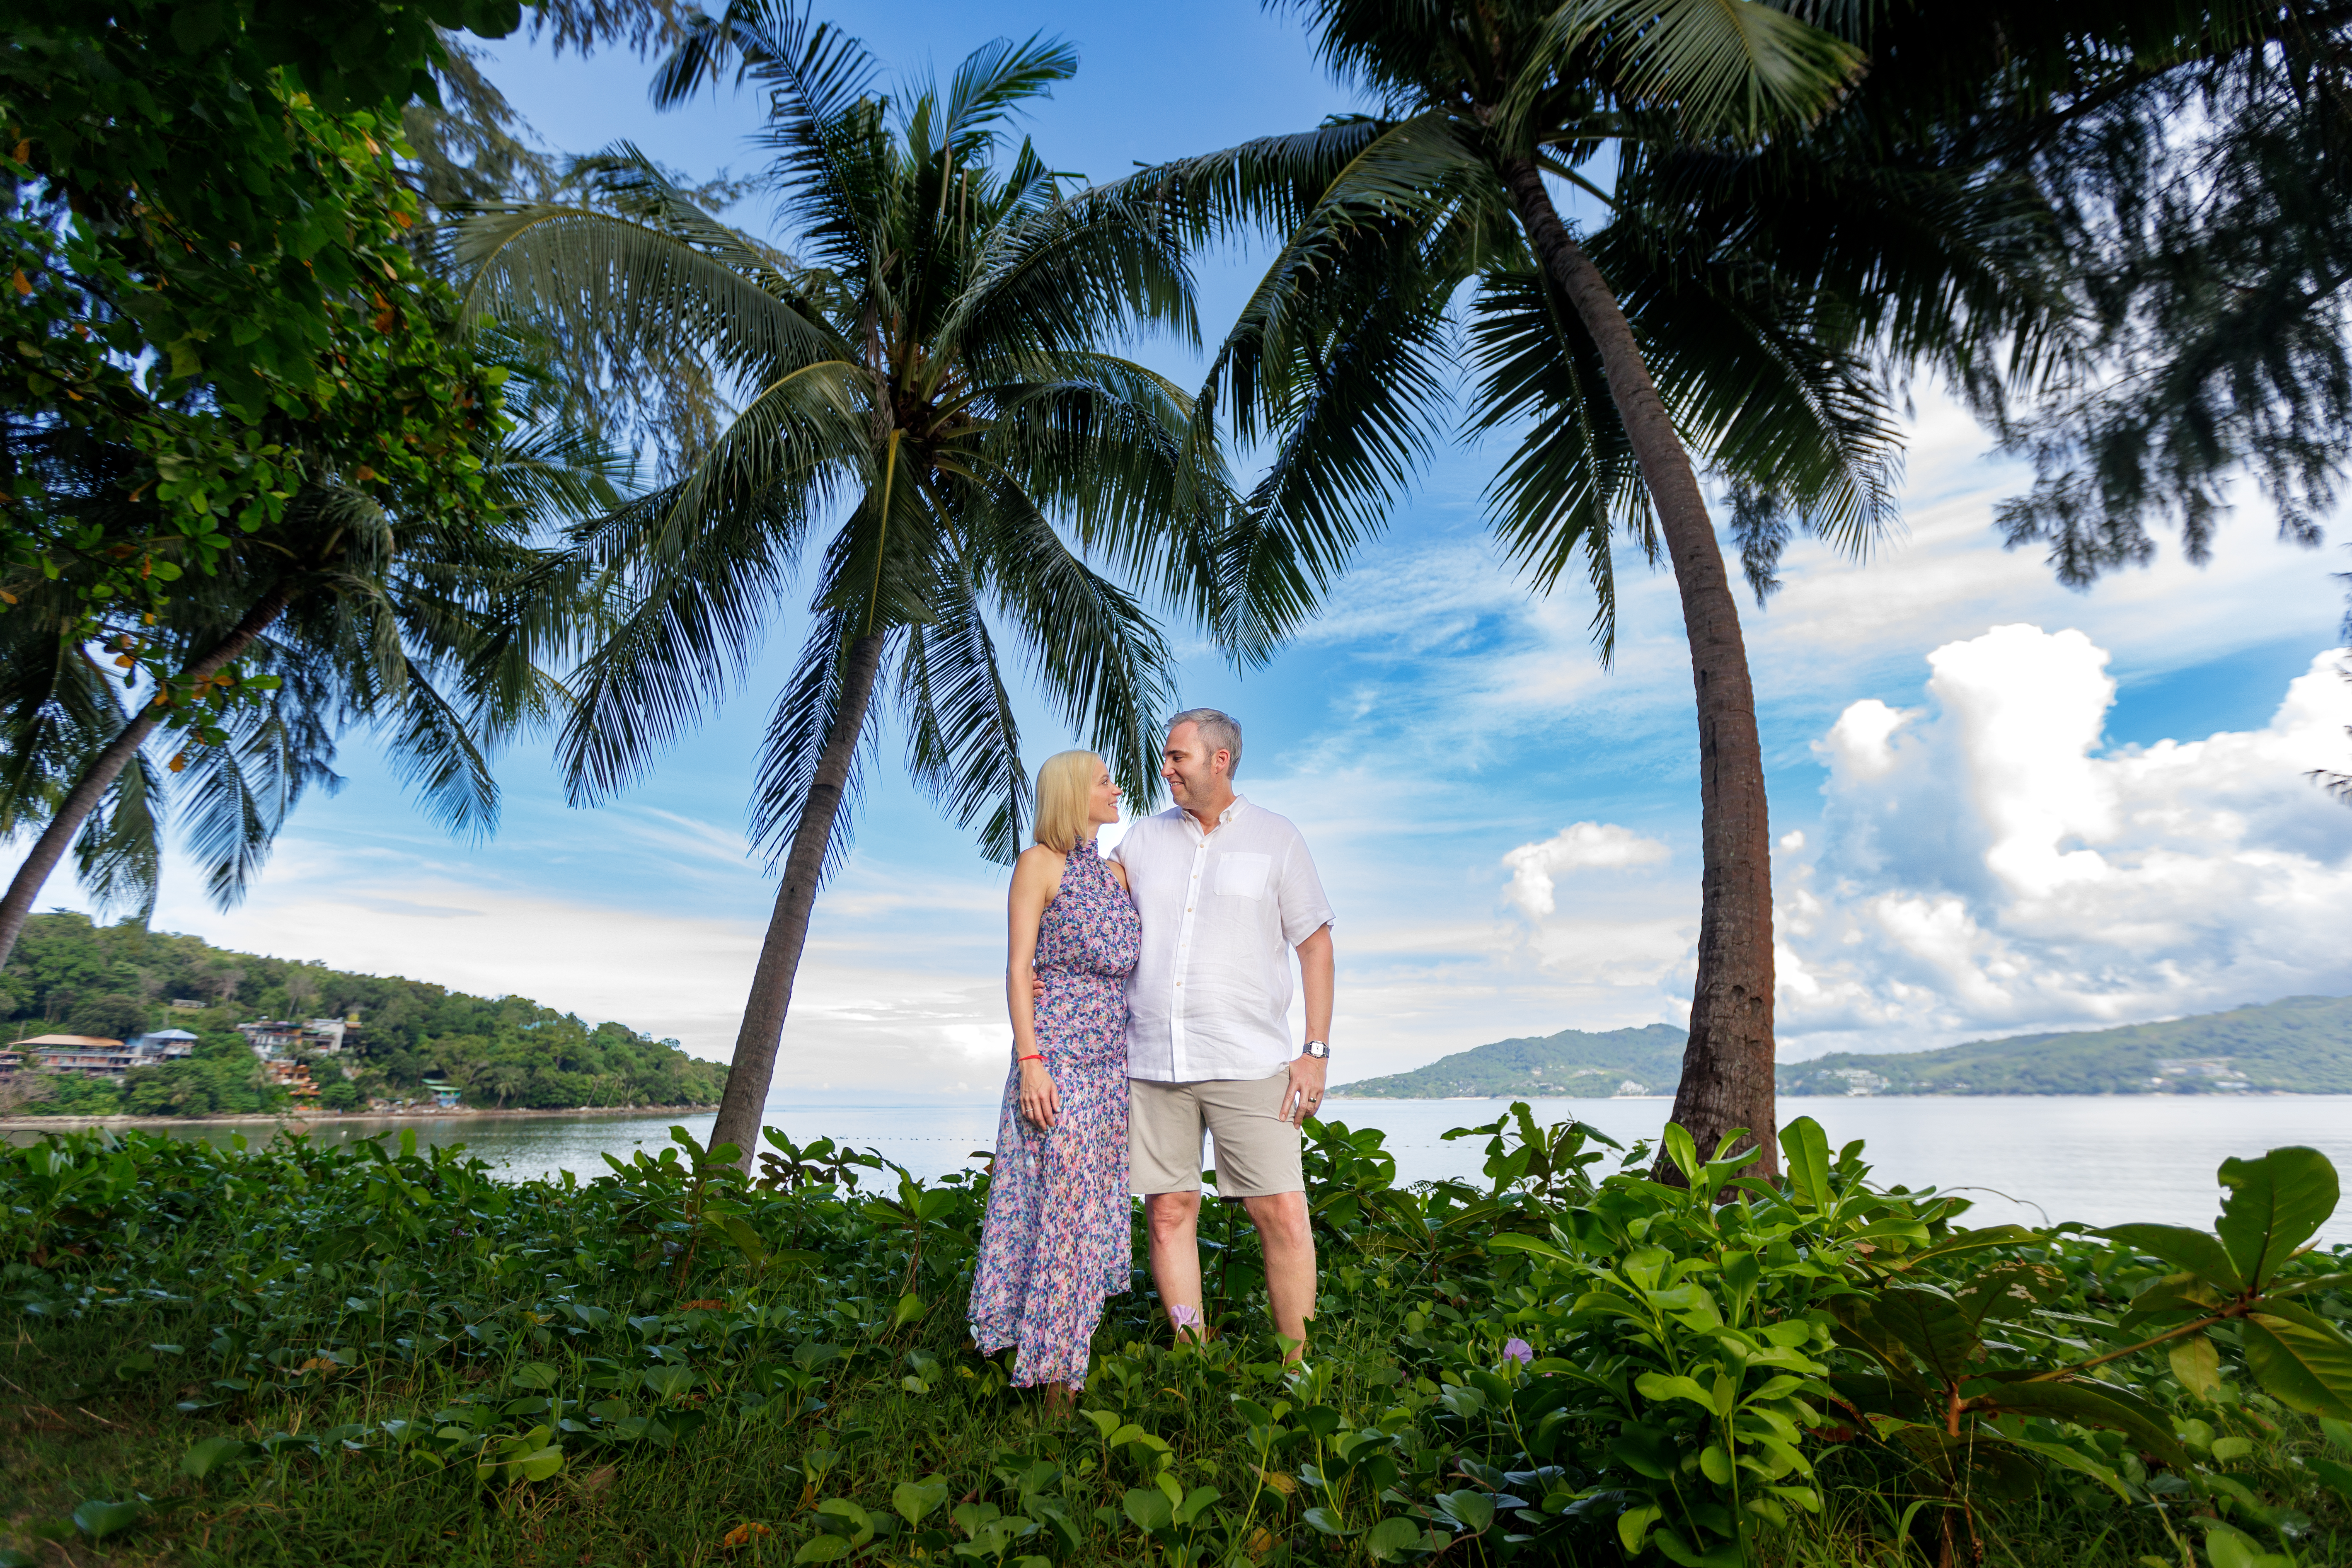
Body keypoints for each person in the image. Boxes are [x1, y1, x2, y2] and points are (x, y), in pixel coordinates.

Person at [1109, 708, 1334, 1366]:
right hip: (1152, 1059)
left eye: (1177, 756)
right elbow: (1089, 921)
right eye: (1167, 756)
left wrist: (1315, 1052)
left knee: (1284, 1215)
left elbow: (1315, 947)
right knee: (1169, 1212)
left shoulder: (1277, 838)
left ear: (1220, 760)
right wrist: (1043, 975)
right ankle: (1192, 1361)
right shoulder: (1141, 841)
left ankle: (1301, 1374)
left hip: (1250, 1060)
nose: (1166, 768)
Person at [968, 749, 1140, 1409]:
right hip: (1056, 1055)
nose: (1116, 787)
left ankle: (1049, 1350)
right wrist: (1031, 1058)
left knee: (1084, 1210)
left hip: (1111, 1065)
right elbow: (1017, 970)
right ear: (1075, 793)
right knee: (1057, 1205)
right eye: (1105, 781)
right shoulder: (1038, 863)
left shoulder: (1120, 876)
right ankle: (1054, 1378)